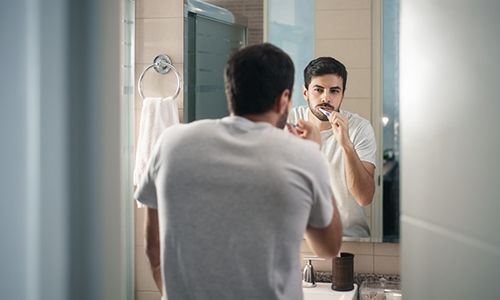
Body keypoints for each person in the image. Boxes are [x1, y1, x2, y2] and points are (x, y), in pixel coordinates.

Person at [134, 43, 342, 300]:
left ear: (230, 90)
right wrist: (313, 154)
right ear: (284, 99)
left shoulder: (170, 142)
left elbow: (153, 246)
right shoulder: (304, 156)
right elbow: (328, 248)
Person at [288, 57, 376, 238]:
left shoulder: (360, 128)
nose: (326, 98)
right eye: (318, 90)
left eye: (334, 91)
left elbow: (364, 197)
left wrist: (346, 145)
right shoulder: (287, 122)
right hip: (299, 238)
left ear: (343, 94)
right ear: (305, 93)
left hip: (349, 238)